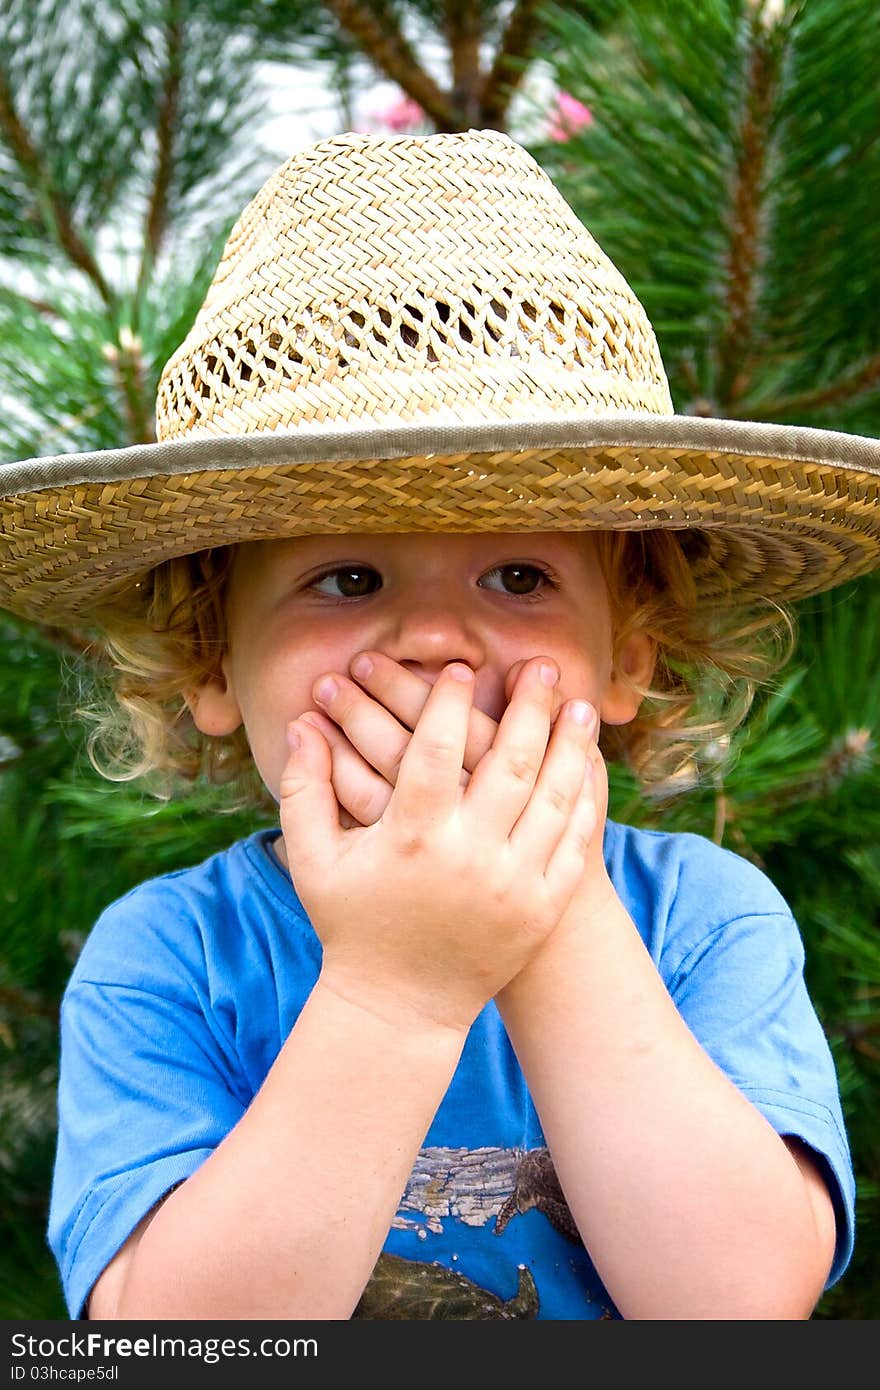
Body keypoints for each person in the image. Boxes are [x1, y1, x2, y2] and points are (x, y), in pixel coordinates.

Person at [1, 128, 878, 1322]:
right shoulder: (168, 958)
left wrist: (549, 907)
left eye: (518, 577)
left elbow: (733, 1306)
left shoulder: (701, 924)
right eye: (348, 578)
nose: (433, 640)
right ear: (212, 660)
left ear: (628, 655)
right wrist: (392, 990)